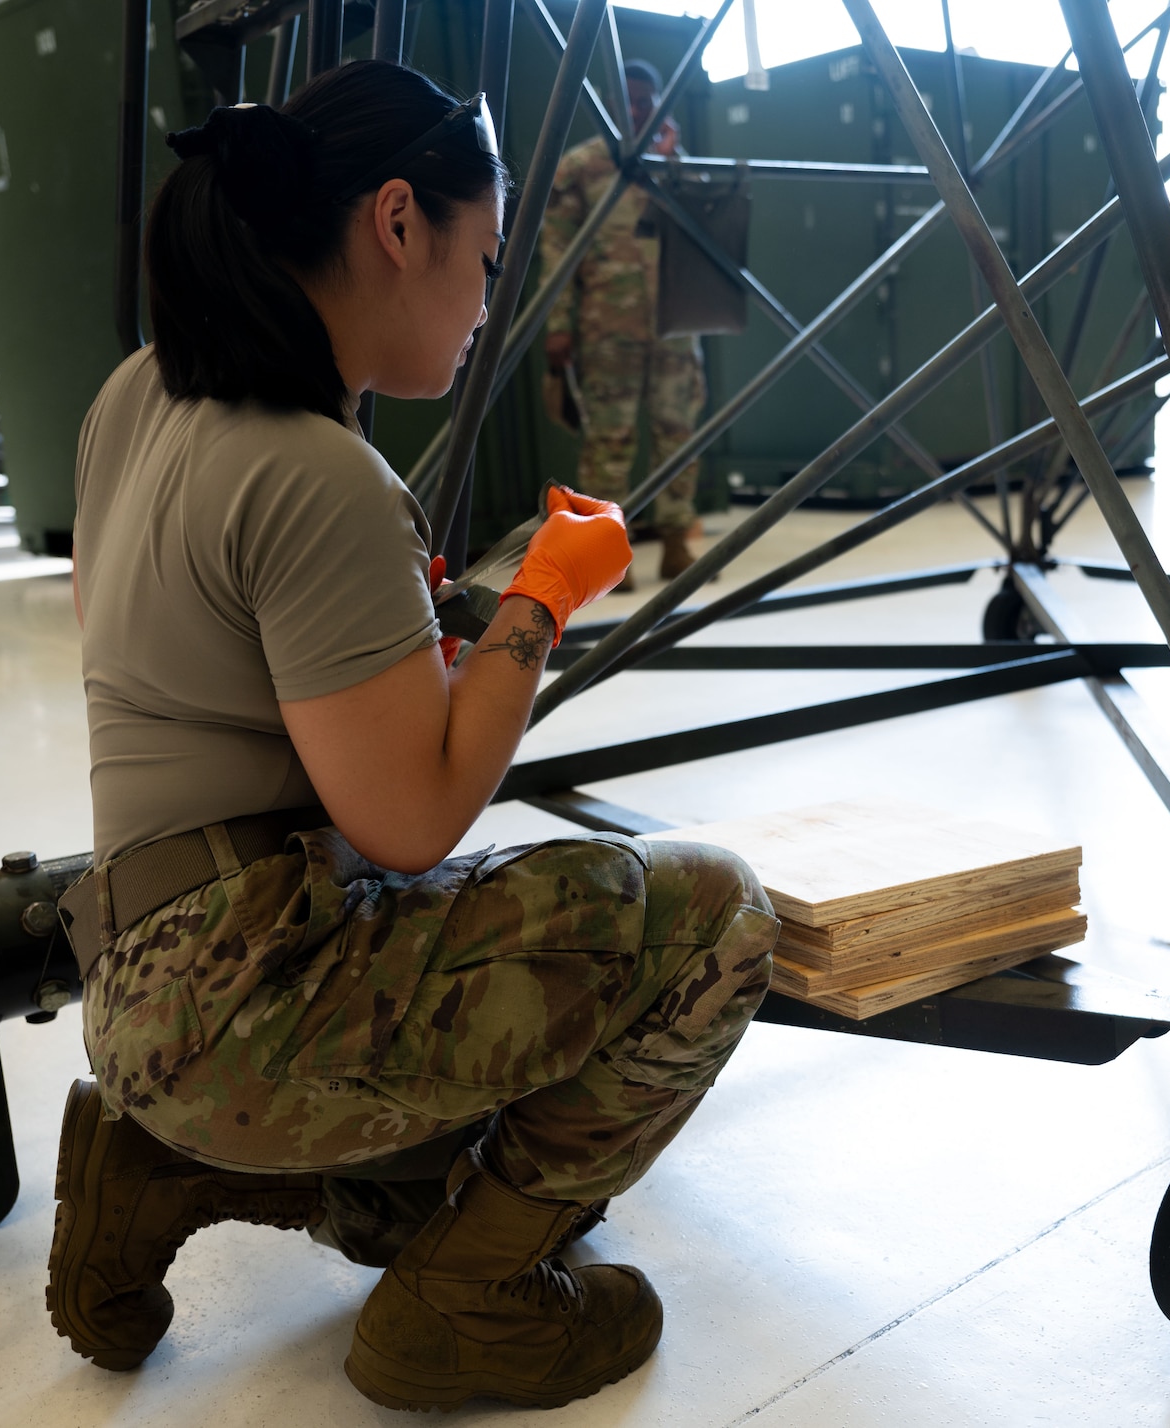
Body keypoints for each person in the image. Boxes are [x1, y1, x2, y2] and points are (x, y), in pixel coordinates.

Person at [48, 61, 776, 1413]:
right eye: (484, 261)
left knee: (465, 1152)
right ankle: (468, 1306)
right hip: (249, 1000)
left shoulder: (138, 392)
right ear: (398, 223)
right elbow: (413, 819)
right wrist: (541, 599)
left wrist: (397, 635)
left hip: (142, 977)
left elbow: (141, 635)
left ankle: (161, 1161)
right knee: (717, 917)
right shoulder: (321, 471)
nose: (488, 302)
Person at [540, 57, 706, 588]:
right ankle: (610, 557)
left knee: (678, 434)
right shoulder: (581, 167)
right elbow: (556, 251)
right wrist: (558, 324)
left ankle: (677, 542)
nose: (636, 110)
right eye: (627, 101)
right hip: (607, 328)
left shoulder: (673, 164)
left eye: (645, 102)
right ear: (611, 105)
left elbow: (705, 221)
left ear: (658, 106)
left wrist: (672, 161)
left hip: (674, 326)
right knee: (609, 442)